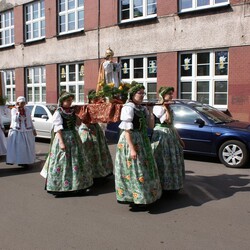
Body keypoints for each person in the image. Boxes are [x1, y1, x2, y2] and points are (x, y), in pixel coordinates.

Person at [115, 83, 162, 210]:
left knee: (145, 168)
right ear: (132, 95)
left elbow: (150, 126)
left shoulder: (142, 108)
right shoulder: (128, 108)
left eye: (143, 93)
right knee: (134, 170)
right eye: (139, 93)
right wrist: (131, 148)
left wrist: (151, 111)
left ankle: (146, 195)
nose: (142, 95)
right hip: (131, 140)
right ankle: (135, 198)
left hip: (142, 139)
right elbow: (127, 131)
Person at [41, 91, 93, 195]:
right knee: (62, 161)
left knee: (76, 161)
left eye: (71, 100)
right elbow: (57, 129)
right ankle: (60, 186)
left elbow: (78, 124)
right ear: (62, 101)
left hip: (74, 137)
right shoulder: (58, 112)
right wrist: (61, 142)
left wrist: (79, 115)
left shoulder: (72, 112)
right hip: (63, 137)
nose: (70, 102)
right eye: (68, 101)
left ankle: (77, 185)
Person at [151, 87, 185, 195]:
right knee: (163, 159)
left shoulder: (168, 108)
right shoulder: (158, 108)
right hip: (161, 134)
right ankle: (162, 185)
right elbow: (167, 120)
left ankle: (173, 185)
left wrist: (179, 139)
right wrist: (165, 108)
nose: (171, 96)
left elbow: (172, 125)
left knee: (173, 159)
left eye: (172, 94)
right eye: (169, 94)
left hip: (171, 134)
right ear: (162, 95)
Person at [78, 90, 113, 181]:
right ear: (90, 99)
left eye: (96, 99)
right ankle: (89, 173)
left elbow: (104, 117)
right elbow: (83, 119)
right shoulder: (86, 107)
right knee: (89, 152)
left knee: (100, 150)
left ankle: (101, 172)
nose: (95, 101)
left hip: (96, 129)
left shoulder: (98, 107)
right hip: (88, 129)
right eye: (94, 99)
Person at [6, 96, 36, 167]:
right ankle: (16, 160)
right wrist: (18, 112)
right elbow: (15, 120)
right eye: (21, 103)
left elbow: (29, 120)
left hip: (26, 130)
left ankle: (25, 161)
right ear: (18, 103)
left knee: (26, 147)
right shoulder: (14, 110)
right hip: (17, 131)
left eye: (24, 103)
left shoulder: (27, 110)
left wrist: (33, 129)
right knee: (18, 148)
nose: (22, 104)